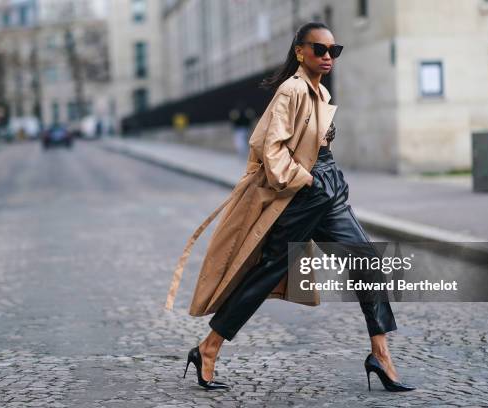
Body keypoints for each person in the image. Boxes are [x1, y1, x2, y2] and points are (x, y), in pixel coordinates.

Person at [169, 22, 415, 393]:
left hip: (328, 191)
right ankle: (208, 347)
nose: (328, 56)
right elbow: (270, 149)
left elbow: (318, 146)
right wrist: (309, 180)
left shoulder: (319, 92)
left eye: (334, 50)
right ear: (300, 51)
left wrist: (330, 179)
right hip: (303, 196)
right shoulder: (293, 89)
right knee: (268, 271)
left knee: (367, 259)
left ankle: (380, 354)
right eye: (320, 49)